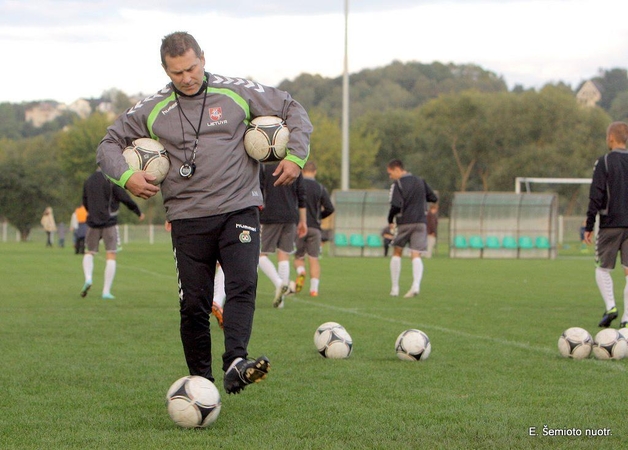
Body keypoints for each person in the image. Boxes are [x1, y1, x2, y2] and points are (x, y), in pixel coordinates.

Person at [96, 32, 312, 394]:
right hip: (187, 217)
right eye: (177, 72)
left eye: (192, 68)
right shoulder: (152, 108)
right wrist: (127, 174)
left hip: (238, 207)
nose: (187, 78)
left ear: (203, 59)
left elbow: (293, 108)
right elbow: (107, 144)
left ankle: (236, 363)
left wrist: (296, 155)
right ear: (166, 70)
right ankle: (201, 383)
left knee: (243, 284)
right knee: (194, 304)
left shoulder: (237, 92)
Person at [583, 121, 628, 329]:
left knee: (602, 268)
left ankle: (611, 307)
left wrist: (589, 225)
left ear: (611, 138)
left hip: (610, 224)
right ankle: (627, 319)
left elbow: (596, 195)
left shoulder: (604, 162)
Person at [80, 169, 145, 300]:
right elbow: (124, 197)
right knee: (111, 254)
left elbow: (85, 200)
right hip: (109, 222)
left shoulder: (89, 180)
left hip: (92, 222)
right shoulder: (112, 180)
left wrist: (92, 214)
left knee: (89, 252)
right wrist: (138, 211)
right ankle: (106, 291)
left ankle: (88, 278)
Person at [386, 159, 438, 298]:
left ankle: (395, 288)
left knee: (397, 251)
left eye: (390, 173)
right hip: (421, 222)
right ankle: (415, 285)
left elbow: (396, 205)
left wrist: (390, 219)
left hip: (405, 222)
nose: (390, 177)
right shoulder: (420, 181)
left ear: (397, 169)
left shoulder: (398, 184)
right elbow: (433, 197)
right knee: (416, 254)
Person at [258, 162, 307, 308]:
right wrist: (303, 221)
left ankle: (279, 284)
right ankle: (281, 301)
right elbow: (302, 195)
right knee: (284, 255)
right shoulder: (293, 164)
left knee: (260, 255)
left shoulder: (264, 166)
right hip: (290, 216)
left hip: (270, 215)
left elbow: (259, 190)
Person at [293, 161, 334, 297]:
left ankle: (301, 271)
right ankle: (314, 289)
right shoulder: (320, 188)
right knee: (314, 258)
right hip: (315, 228)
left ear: (302, 171)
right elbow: (330, 208)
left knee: (298, 256)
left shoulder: (297, 185)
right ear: (315, 172)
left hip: (300, 226)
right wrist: (319, 217)